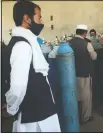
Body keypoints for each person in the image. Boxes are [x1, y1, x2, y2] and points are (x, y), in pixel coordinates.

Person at [1, 1, 61, 132]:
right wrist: (11, 108)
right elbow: (18, 86)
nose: (41, 21)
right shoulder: (22, 46)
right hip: (33, 118)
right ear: (26, 18)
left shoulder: (28, 42)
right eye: (39, 17)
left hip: (41, 111)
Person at [69, 24, 97, 124]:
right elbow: (94, 57)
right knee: (86, 96)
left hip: (71, 74)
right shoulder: (87, 44)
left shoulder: (69, 42)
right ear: (85, 33)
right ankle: (85, 117)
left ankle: (74, 117)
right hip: (85, 73)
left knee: (74, 95)